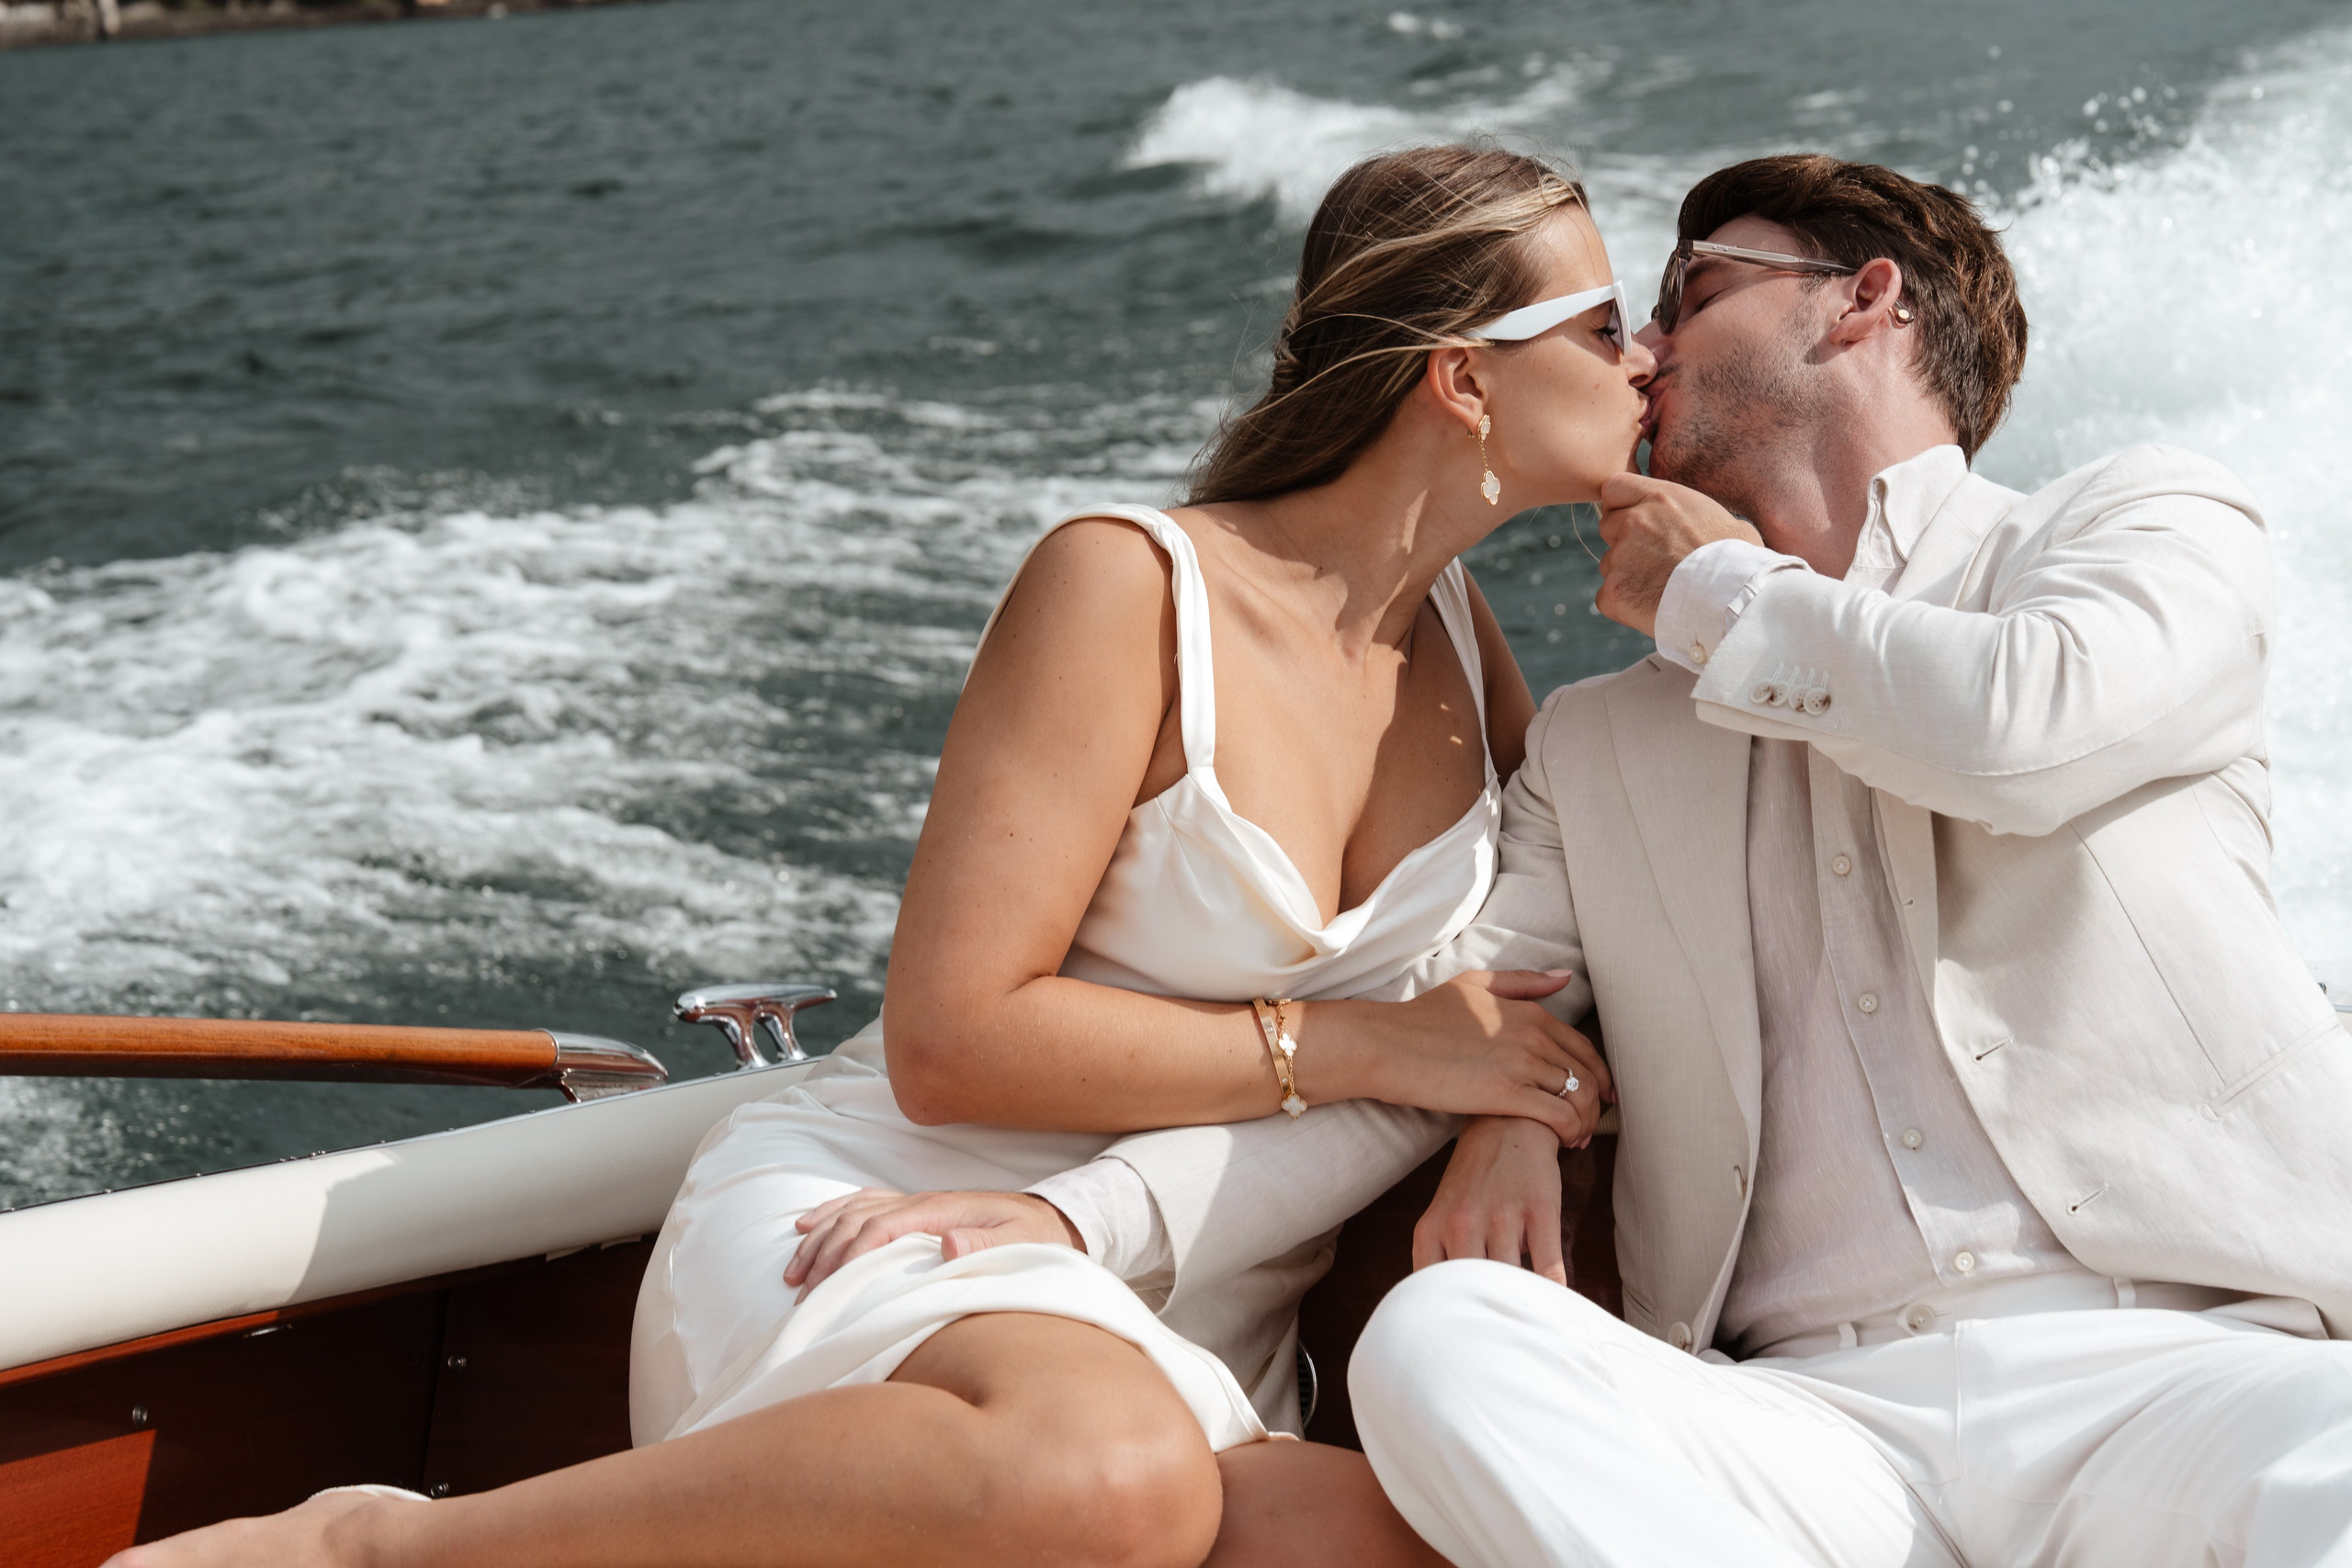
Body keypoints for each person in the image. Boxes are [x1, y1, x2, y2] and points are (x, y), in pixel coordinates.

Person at [108, 144, 1647, 1568]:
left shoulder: (1460, 640)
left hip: (1182, 1311)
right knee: (1105, 1479)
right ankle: (368, 1549)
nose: (1644, 360)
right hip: (888, 1233)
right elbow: (956, 1042)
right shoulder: (1128, 588)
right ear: (1461, 378)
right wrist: (1367, 1043)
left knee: (1453, 1544)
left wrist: (1514, 1114)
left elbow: (1522, 974)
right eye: (1607, 325)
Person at [1320, 154, 2352, 1566]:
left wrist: (1715, 593)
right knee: (1439, 1344)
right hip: (1809, 1422)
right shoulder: (1597, 739)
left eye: (1689, 287)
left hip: (2195, 1369)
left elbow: (2016, 731)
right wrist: (1514, 1103)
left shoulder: (2136, 529)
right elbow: (1480, 1006)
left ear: (1866, 301)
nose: (1643, 349)